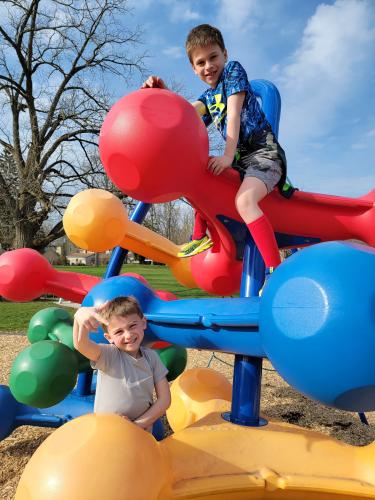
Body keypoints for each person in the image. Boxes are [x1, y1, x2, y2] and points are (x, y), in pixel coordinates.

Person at [142, 24, 287, 268]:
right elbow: (185, 113)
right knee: (200, 170)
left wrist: (227, 155)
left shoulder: (233, 71)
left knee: (244, 202)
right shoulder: (208, 97)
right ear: (193, 68)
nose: (208, 66)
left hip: (264, 155)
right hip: (242, 164)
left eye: (213, 57)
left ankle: (275, 268)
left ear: (225, 55)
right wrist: (162, 94)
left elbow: (234, 113)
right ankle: (199, 236)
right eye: (201, 63)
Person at [73, 296, 171, 432]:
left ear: (143, 323)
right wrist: (80, 315)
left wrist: (137, 425)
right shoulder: (109, 355)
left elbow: (164, 399)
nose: (128, 335)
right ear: (109, 338)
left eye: (132, 326)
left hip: (140, 433)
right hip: (107, 432)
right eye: (119, 331)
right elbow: (81, 345)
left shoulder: (151, 357)